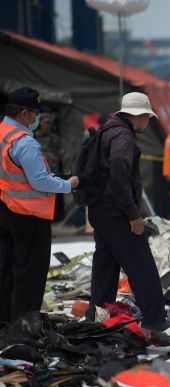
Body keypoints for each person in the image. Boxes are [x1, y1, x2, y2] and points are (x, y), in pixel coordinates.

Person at [87, 92, 168, 330]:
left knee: (105, 267)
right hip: (117, 213)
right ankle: (155, 320)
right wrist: (133, 214)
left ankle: (98, 317)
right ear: (140, 115)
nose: (148, 122)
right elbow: (120, 177)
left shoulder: (107, 130)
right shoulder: (123, 137)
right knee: (141, 265)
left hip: (99, 210)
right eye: (148, 117)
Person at [0, 87, 79, 322]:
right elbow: (39, 181)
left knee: (6, 269)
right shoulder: (25, 142)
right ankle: (26, 325)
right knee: (30, 273)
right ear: (24, 113)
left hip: (4, 209)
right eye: (35, 114)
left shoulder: (2, 132)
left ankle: (5, 322)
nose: (37, 119)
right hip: (28, 216)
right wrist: (68, 184)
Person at [34, 111, 65, 221]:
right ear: (40, 123)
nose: (48, 125)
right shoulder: (32, 138)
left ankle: (51, 217)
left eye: (50, 123)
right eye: (46, 122)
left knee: (53, 196)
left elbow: (62, 153)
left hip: (53, 171)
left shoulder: (54, 138)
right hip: (38, 172)